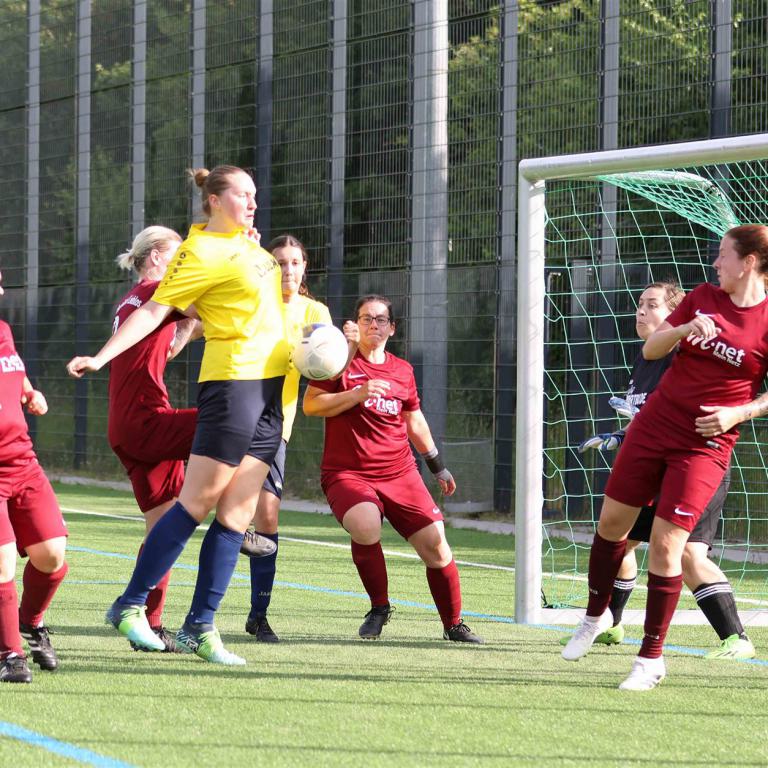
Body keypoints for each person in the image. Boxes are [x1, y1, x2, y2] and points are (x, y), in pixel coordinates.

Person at [67, 164, 290, 665]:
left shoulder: (248, 247)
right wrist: (100, 357)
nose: (253, 202)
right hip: (233, 385)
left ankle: (198, 628)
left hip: (271, 388)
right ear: (214, 200)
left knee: (235, 514)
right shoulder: (198, 251)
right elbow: (153, 312)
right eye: (243, 194)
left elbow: (233, 310)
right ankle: (130, 604)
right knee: (195, 504)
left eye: (255, 194)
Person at [562, 225, 768, 690]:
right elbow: (652, 347)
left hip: (704, 445)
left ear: (749, 262)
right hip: (653, 427)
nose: (716, 263)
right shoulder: (703, 297)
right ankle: (593, 617)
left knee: (668, 546)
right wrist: (683, 328)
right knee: (611, 525)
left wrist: (739, 412)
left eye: (723, 255)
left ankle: (650, 659)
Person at [303, 294, 483, 643]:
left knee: (436, 545)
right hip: (347, 473)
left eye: (381, 319)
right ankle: (379, 607)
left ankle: (454, 624)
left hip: (400, 472)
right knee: (365, 524)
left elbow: (414, 421)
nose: (373, 324)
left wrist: (438, 467)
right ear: (355, 324)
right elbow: (312, 405)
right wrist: (356, 393)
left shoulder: (402, 370)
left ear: (392, 328)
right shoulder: (338, 360)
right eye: (366, 318)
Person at [108, 226, 200, 652]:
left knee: (164, 529)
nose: (184, 262)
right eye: (179, 254)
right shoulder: (158, 290)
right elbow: (216, 306)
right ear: (157, 257)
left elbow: (172, 346)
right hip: (147, 420)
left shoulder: (133, 298)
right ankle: (238, 523)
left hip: (125, 425)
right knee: (229, 424)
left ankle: (148, 622)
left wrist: (192, 324)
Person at [241, 234, 335, 642]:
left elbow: (328, 366)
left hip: (275, 426)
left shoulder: (314, 312)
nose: (288, 270)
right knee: (227, 513)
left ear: (304, 267)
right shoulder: (253, 302)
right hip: (237, 414)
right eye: (280, 262)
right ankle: (196, 616)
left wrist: (344, 345)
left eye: (295, 262)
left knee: (267, 518)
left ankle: (258, 615)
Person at [0, 270, 68, 683]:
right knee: (3, 561)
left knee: (52, 555)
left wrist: (29, 392)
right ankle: (9, 654)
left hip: (22, 460)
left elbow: (13, 370)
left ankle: (31, 620)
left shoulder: (3, 330)